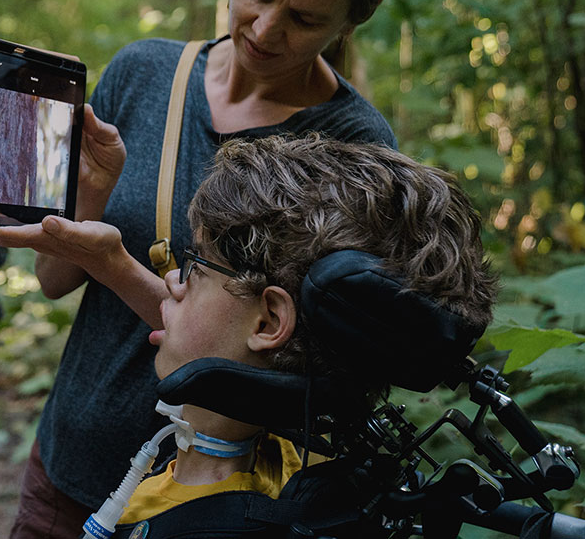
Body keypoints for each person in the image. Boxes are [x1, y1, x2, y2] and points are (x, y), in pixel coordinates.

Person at [0, 0, 418, 535]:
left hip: (213, 508)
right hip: (69, 468)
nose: (266, 29)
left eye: (304, 19)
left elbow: (288, 363)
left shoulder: (354, 147)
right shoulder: (144, 73)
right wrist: (93, 194)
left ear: (352, 20)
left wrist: (118, 266)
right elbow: (53, 280)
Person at [111, 134, 497, 527]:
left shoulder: (197, 522)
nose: (174, 280)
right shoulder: (304, 466)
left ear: (269, 322)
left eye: (198, 266)